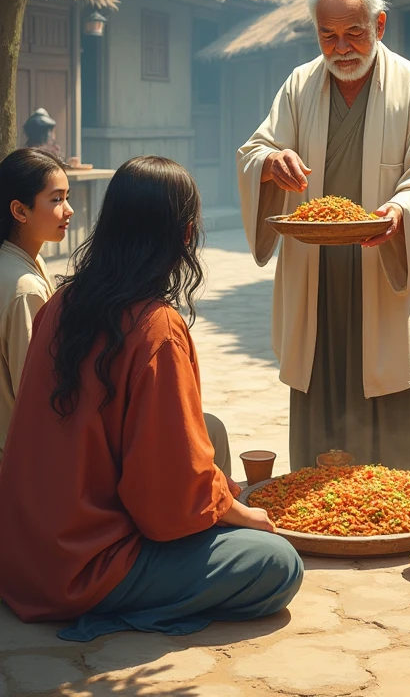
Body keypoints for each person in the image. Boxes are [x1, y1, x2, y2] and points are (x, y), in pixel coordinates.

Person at [0, 156, 302, 639]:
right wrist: (242, 513)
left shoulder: (61, 301)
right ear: (184, 236)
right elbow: (166, 497)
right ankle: (121, 612)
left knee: (212, 438)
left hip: (23, 554)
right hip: (83, 567)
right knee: (278, 564)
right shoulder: (156, 327)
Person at [237, 0, 410, 471]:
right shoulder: (300, 85)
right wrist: (270, 164)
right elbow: (256, 149)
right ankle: (316, 496)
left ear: (380, 24)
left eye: (354, 32)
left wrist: (401, 210)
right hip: (316, 275)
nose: (341, 47)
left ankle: (393, 494)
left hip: (385, 267)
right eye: (328, 35)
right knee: (320, 375)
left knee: (385, 379)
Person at [0, 149, 72, 462]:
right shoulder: (24, 288)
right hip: (24, 459)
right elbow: (35, 396)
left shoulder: (27, 263)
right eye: (56, 199)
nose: (68, 210)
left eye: (66, 197)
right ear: (20, 210)